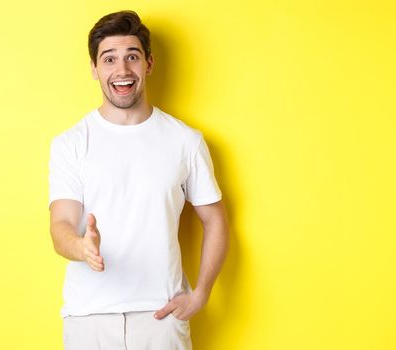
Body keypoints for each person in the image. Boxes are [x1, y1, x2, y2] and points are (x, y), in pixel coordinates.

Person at [48, 10, 229, 350]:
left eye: (132, 56)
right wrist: (82, 247)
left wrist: (201, 294)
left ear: (148, 63)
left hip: (162, 317)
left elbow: (216, 220)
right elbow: (60, 225)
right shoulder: (70, 143)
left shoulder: (185, 140)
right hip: (89, 319)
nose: (122, 70)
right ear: (94, 68)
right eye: (109, 59)